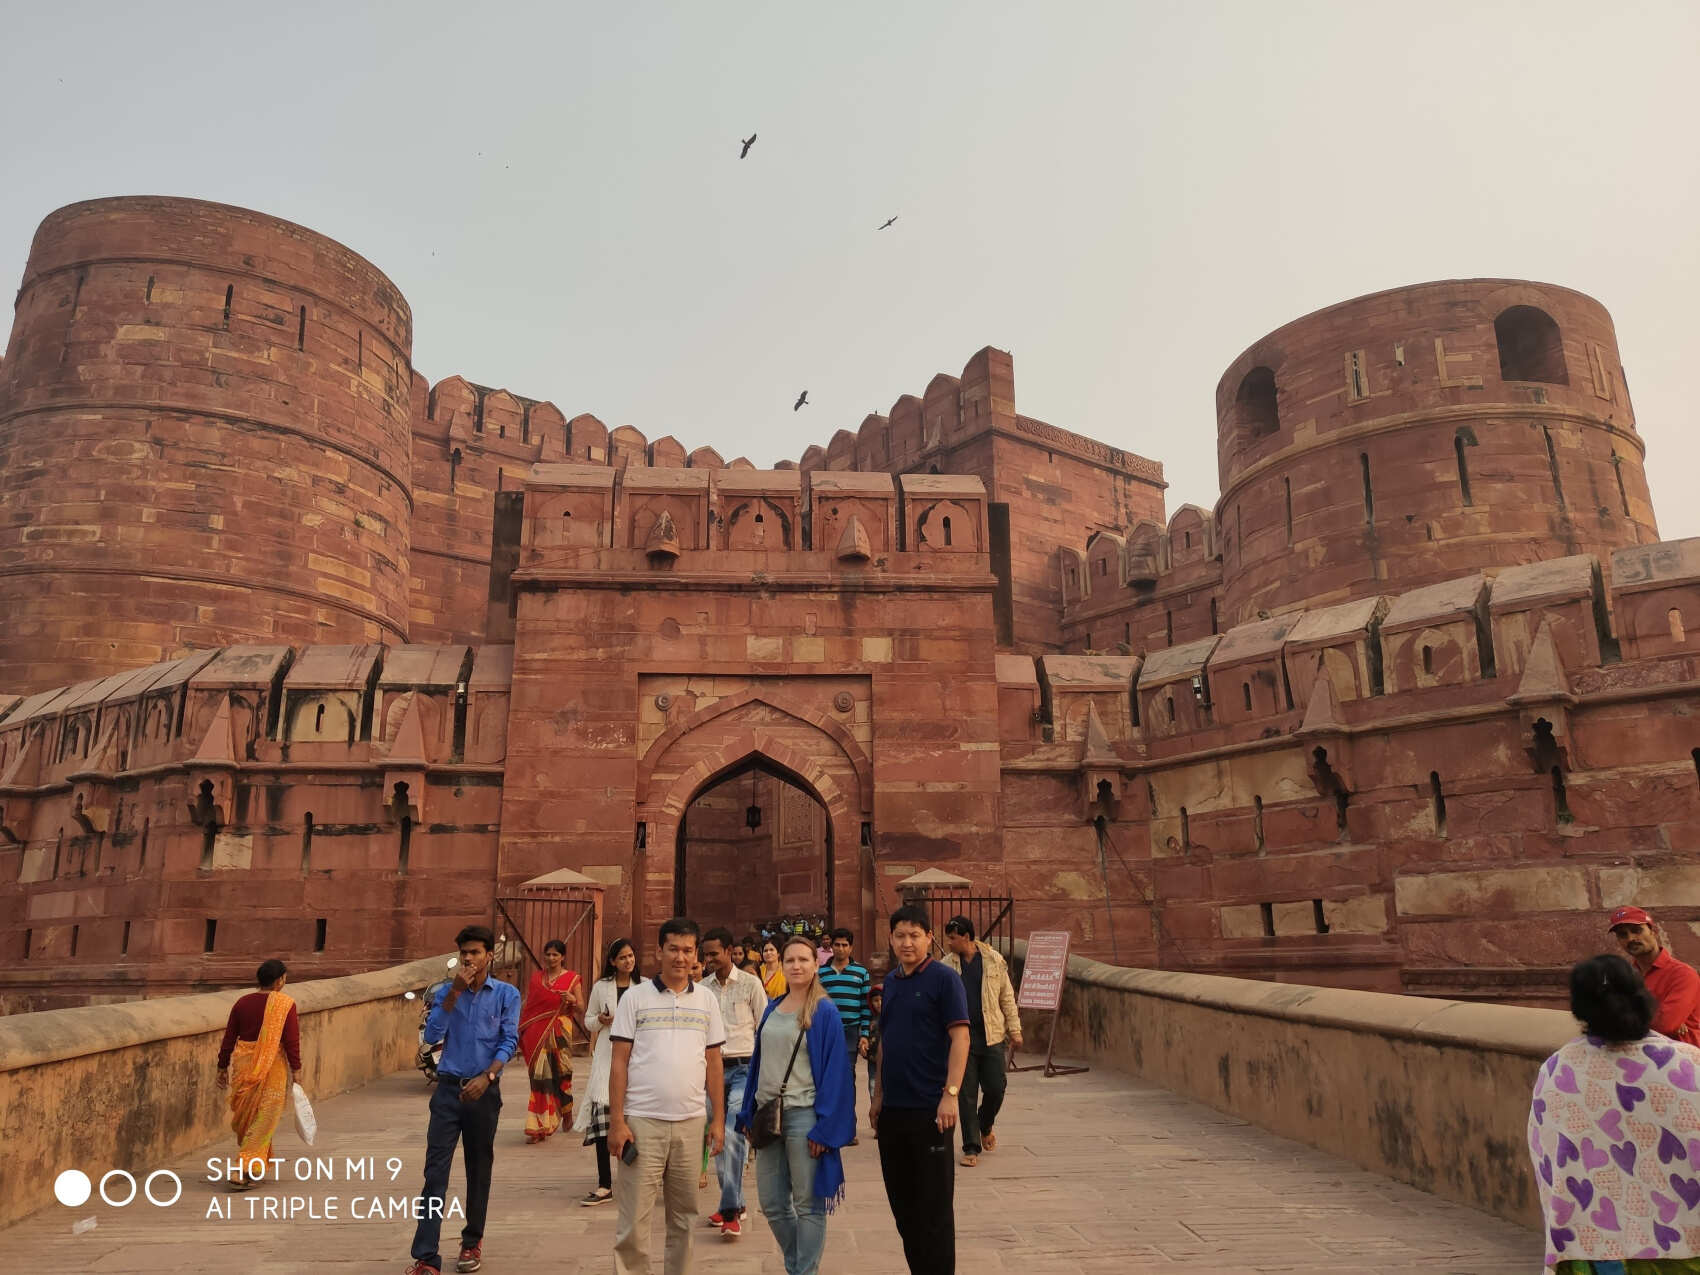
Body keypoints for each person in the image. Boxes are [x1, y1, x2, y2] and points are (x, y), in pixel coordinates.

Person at [1529, 953, 1700, 1272]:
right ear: (1642, 997)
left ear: (1579, 1009)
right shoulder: (1690, 1065)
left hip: (1593, 1248)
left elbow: (1549, 1160)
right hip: (1689, 1248)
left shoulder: (1559, 1071)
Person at [609, 917, 727, 1275]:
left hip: (691, 1123)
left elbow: (714, 1063)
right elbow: (619, 1063)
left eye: (687, 950)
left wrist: (718, 1120)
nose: (680, 957)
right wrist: (617, 1122)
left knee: (683, 1220)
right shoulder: (635, 998)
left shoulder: (706, 1000)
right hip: (642, 1122)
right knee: (634, 1222)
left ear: (696, 956)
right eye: (673, 948)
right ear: (658, 951)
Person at [405, 925, 519, 1275]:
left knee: (478, 1169)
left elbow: (509, 1041)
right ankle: (426, 1256)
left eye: (475, 952)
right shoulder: (445, 992)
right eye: (464, 953)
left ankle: (472, 1242)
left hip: (483, 1091)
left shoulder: (505, 994)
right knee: (434, 1172)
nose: (469, 959)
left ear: (489, 955)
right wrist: (453, 993)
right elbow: (433, 1034)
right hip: (448, 1091)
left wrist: (488, 1078)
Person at [737, 934, 854, 1275]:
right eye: (790, 960)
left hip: (805, 1117)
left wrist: (827, 1127)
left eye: (804, 959)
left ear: (816, 964)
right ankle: (799, 1266)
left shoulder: (824, 1011)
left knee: (807, 1205)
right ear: (781, 965)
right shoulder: (773, 1008)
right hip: (768, 1115)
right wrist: (748, 1111)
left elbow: (837, 1074)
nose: (797, 966)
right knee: (772, 1204)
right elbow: (758, 1064)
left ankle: (803, 1271)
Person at [870, 904, 969, 1275]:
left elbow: (960, 1038)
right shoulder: (891, 982)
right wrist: (878, 1096)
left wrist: (951, 1094)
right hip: (894, 1111)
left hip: (932, 1111)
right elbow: (886, 1043)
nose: (907, 942)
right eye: (900, 935)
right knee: (904, 1207)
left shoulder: (945, 980)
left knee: (935, 1210)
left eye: (915, 935)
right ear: (891, 939)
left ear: (929, 937)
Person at [702, 926, 769, 1240]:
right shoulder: (702, 988)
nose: (709, 959)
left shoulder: (751, 984)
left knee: (732, 1134)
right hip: (711, 1070)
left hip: (744, 1067)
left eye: (714, 953)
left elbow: (764, 1026)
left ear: (730, 951)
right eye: (707, 954)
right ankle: (735, 1202)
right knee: (717, 1138)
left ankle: (729, 1210)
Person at [941, 916, 1023, 1167]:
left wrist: (1015, 1029)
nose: (949, 942)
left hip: (992, 1035)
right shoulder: (946, 965)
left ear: (966, 937)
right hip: (961, 1038)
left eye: (953, 937)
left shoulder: (993, 960)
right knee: (965, 1093)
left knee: (995, 1088)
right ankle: (971, 1146)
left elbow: (1006, 997)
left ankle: (985, 1123)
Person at [216, 958, 302, 1189]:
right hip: (272, 1068)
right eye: (284, 978)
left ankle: (253, 1166)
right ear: (279, 981)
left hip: (242, 1067)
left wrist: (222, 1066)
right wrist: (297, 1069)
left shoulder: (242, 1003)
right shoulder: (285, 1004)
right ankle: (243, 1168)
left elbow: (229, 1038)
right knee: (264, 1119)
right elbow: (291, 1041)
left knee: (251, 1118)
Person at [575, 937, 637, 1205]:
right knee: (603, 1117)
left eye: (631, 956)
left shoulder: (643, 987)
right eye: (622, 957)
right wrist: (601, 1019)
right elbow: (588, 1020)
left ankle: (633, 1180)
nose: (628, 961)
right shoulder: (601, 987)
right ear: (613, 961)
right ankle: (604, 1183)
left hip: (636, 1057)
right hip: (607, 1055)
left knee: (633, 1119)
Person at [518, 939, 584, 1144]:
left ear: (563, 957)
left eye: (555, 954)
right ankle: (539, 1127)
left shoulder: (573, 979)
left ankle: (566, 1112)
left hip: (560, 1030)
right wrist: (524, 1028)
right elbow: (530, 1007)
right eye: (548, 954)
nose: (551, 958)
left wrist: (572, 1000)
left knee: (562, 1073)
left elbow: (581, 1007)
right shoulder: (537, 978)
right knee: (540, 1078)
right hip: (536, 1033)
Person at [1608, 905, 1700, 1044]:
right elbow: (1606, 1018)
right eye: (1623, 934)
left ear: (1654, 931)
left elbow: (1664, 1025)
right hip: (1635, 1059)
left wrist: (1629, 1017)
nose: (1630, 938)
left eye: (1636, 930)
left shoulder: (1683, 974)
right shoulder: (1623, 977)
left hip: (1680, 1060)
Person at [817, 927, 872, 1141]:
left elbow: (866, 1007)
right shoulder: (821, 972)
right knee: (826, 1079)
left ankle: (849, 1129)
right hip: (827, 1032)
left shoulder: (861, 972)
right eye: (837, 945)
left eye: (844, 945)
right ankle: (830, 1126)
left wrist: (865, 1035)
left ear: (851, 947)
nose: (840, 949)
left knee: (847, 1079)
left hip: (850, 1032)